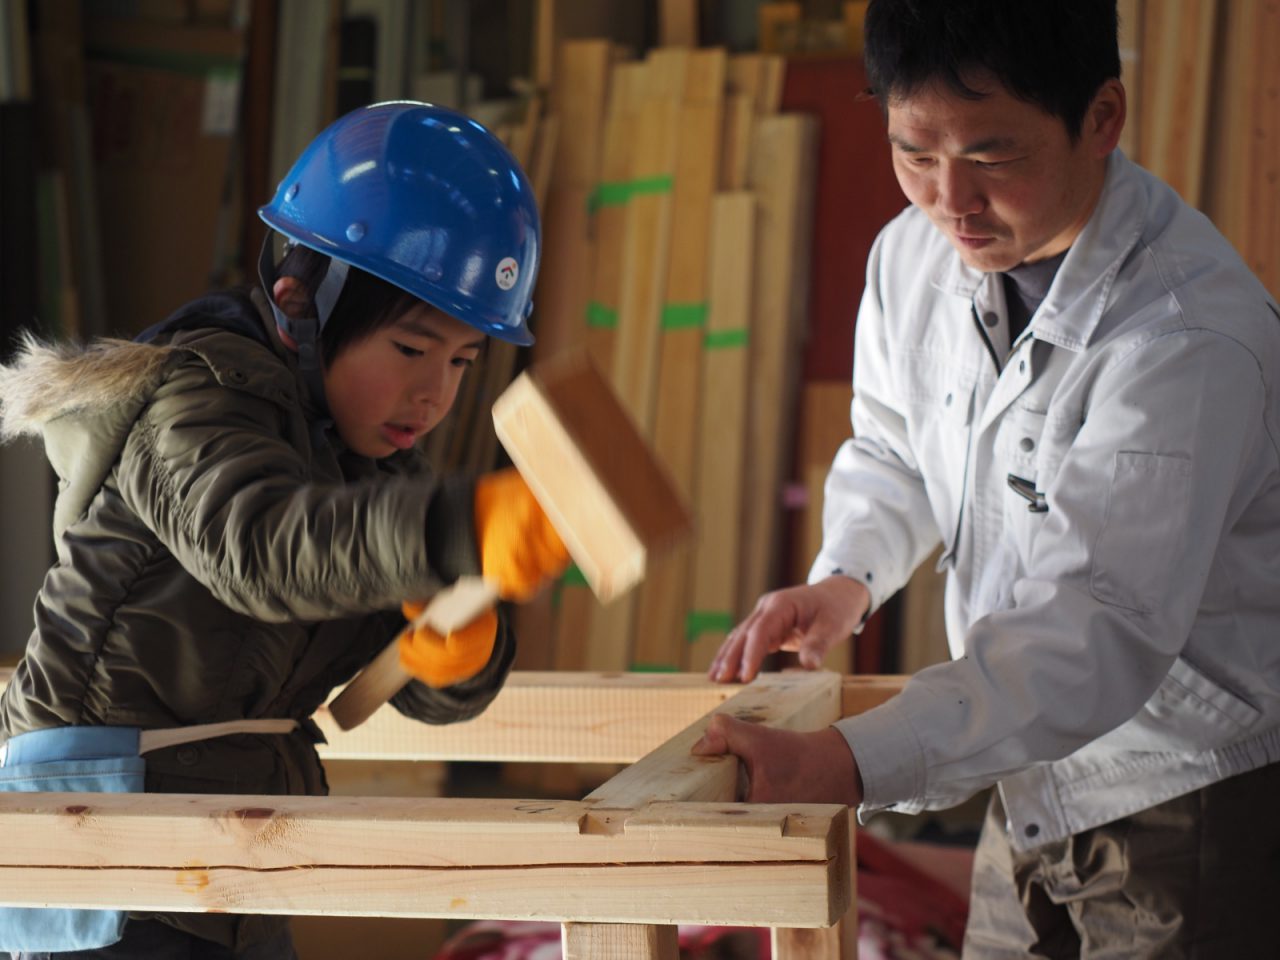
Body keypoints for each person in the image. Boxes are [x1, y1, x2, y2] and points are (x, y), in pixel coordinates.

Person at [694, 1, 1280, 956]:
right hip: (1024, 773)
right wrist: (848, 576)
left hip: (1180, 792)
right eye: (914, 153)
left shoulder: (1185, 338)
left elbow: (1093, 624)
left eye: (992, 156)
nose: (949, 201)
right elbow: (894, 446)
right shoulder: (914, 255)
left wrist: (854, 760)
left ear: (1101, 119)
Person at [0, 101, 566, 958]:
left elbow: (395, 671)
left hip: (230, 849)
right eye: (412, 351)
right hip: (100, 842)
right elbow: (264, 550)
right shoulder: (195, 402)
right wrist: (460, 524)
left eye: (460, 362)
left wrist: (460, 656)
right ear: (300, 299)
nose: (436, 397)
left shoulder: (366, 468)